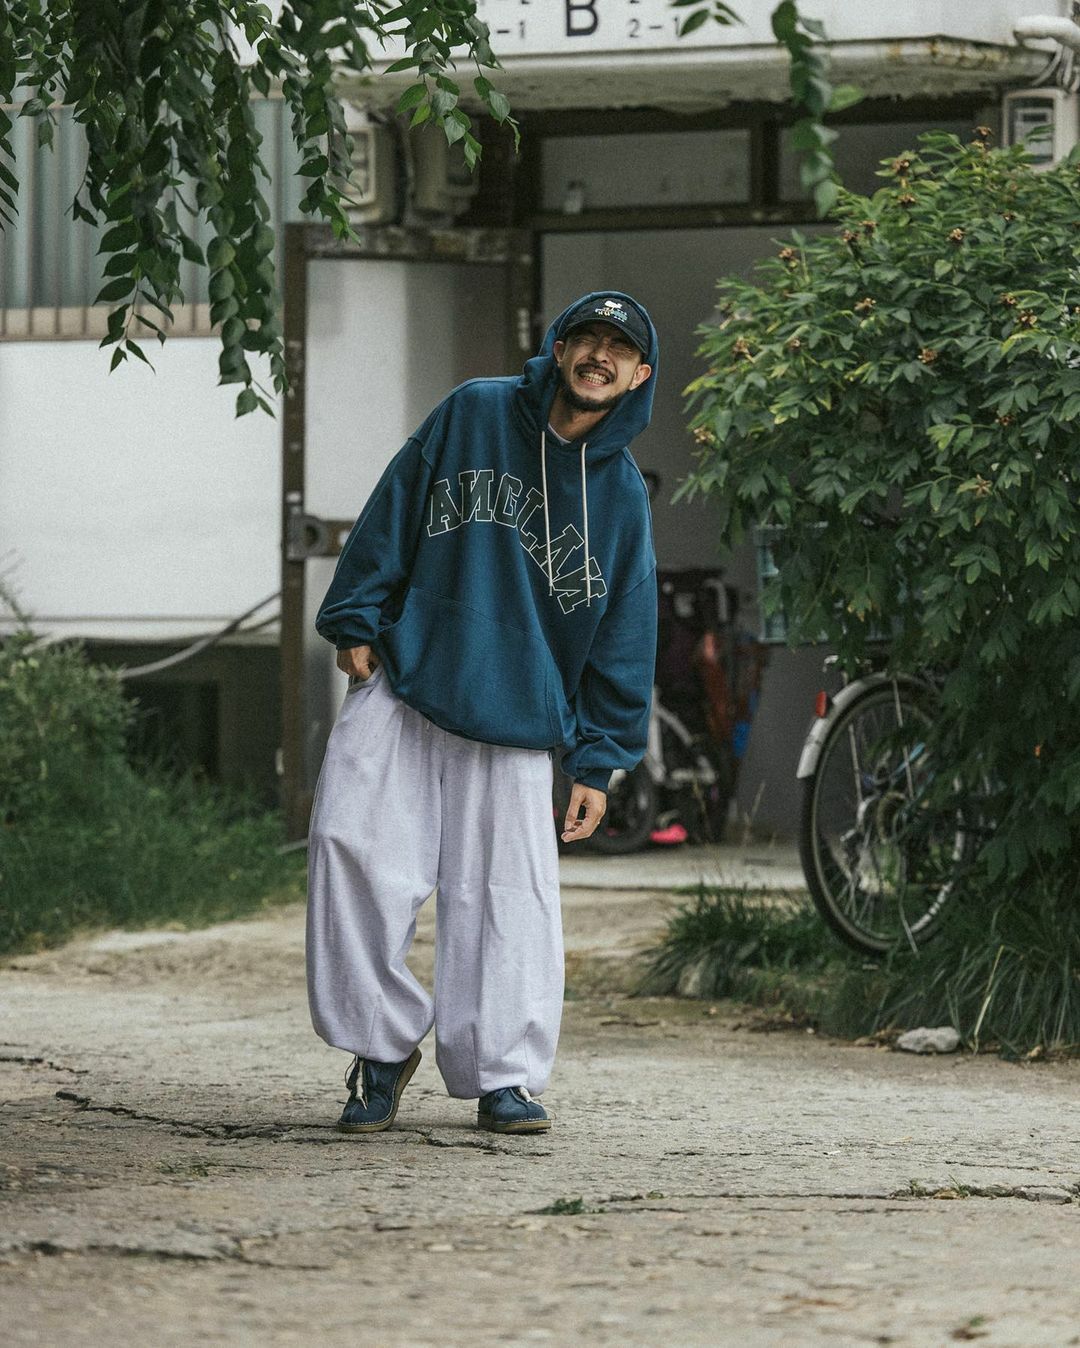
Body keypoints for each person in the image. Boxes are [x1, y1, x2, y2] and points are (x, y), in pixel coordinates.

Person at [306, 291, 659, 1136]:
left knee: (506, 898)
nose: (599, 356)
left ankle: (503, 1072)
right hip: (409, 677)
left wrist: (600, 759)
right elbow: (395, 504)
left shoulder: (620, 496)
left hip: (520, 713)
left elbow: (625, 633)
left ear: (640, 374)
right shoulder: (474, 412)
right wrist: (354, 616)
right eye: (586, 339)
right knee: (349, 851)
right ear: (559, 348)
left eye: (618, 348)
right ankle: (382, 1047)